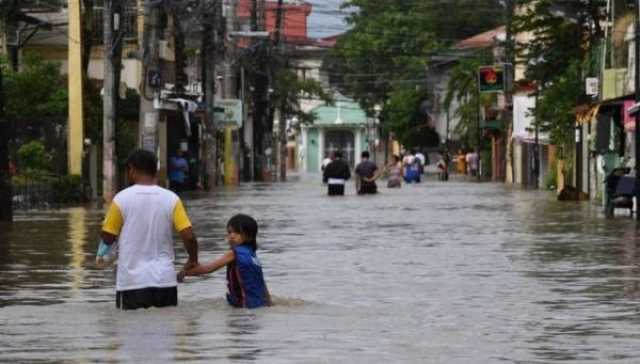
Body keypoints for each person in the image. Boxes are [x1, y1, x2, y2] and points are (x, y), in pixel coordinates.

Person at [100, 149, 199, 310]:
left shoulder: (121, 199)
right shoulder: (172, 198)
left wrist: (105, 228)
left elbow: (108, 238)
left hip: (131, 283)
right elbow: (188, 236)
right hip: (165, 282)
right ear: (156, 170)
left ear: (131, 169)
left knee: (129, 332)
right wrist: (193, 259)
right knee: (166, 332)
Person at [180, 214, 271, 309]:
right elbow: (262, 283)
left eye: (237, 232)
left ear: (249, 236)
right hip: (259, 304)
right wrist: (269, 303)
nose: (231, 236)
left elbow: (208, 269)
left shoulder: (233, 254)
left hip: (243, 306)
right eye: (230, 232)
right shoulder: (253, 256)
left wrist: (184, 273)